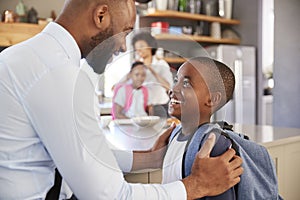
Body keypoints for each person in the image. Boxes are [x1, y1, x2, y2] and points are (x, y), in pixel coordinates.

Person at [0, 0, 243, 199]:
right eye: (126, 31)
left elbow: (80, 152)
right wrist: (195, 186)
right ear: (101, 15)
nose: (122, 46)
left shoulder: (26, 57)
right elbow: (113, 196)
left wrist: (149, 158)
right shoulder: (58, 74)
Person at [164, 57, 281, 199]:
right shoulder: (175, 134)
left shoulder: (212, 145)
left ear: (213, 99)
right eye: (176, 80)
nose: (173, 89)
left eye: (187, 83)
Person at [131, 31, 173, 117]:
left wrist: (150, 68)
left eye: (142, 46)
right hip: (142, 108)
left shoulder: (161, 64)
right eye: (137, 48)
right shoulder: (138, 67)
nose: (139, 50)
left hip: (160, 107)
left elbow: (169, 87)